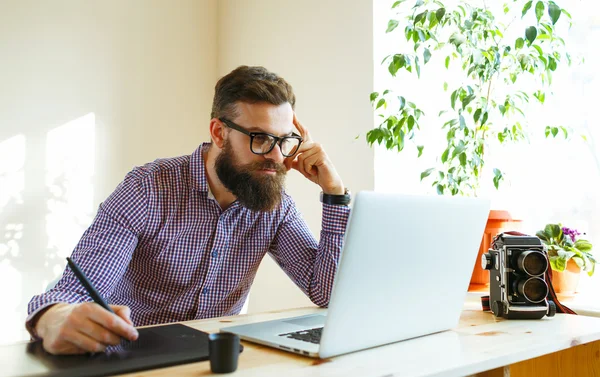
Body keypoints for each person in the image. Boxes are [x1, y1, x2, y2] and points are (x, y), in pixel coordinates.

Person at [26, 65, 351, 355]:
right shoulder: (147, 189)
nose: (277, 156)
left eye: (285, 141)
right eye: (261, 138)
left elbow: (326, 292)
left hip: (215, 360)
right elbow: (71, 293)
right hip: (136, 357)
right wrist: (53, 318)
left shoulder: (274, 206)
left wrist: (334, 194)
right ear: (219, 133)